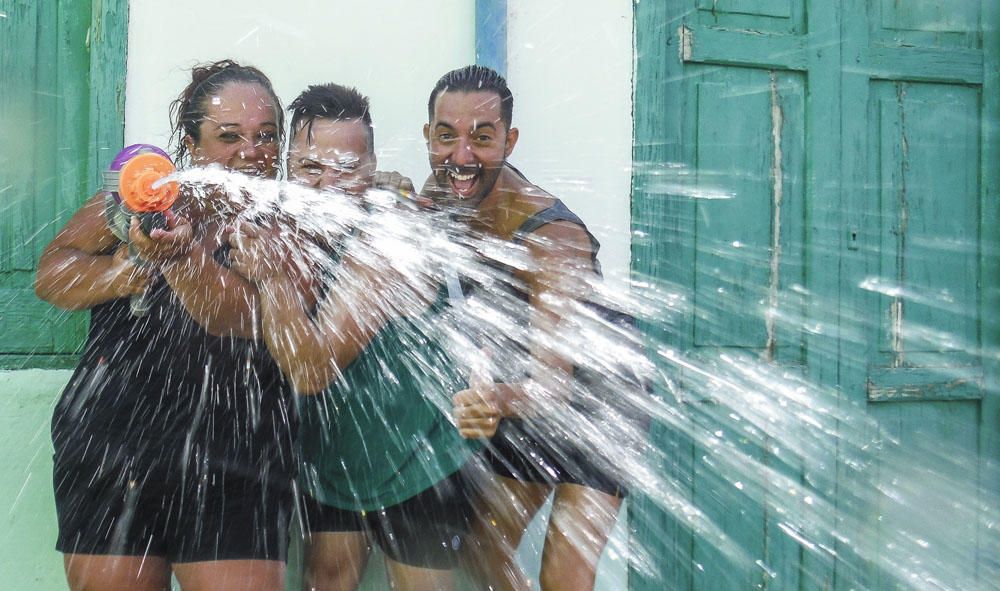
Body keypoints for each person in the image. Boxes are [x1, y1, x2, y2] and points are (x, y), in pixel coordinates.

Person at [35, 60, 299, 591]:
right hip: (113, 445)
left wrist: (179, 262)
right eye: (228, 136)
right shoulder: (139, 198)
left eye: (266, 136)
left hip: (237, 453)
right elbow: (51, 273)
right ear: (191, 144)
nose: (251, 152)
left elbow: (238, 318)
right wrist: (124, 275)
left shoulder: (287, 225)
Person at [228, 83, 477, 591]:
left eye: (345, 170)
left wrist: (273, 277)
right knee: (326, 579)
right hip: (336, 454)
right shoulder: (287, 224)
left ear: (371, 166)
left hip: (419, 459)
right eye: (310, 169)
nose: (326, 187)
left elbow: (312, 370)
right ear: (287, 167)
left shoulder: (385, 240)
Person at [422, 65, 624, 591]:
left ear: (509, 141)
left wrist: (491, 399)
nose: (461, 156)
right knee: (485, 550)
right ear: (429, 136)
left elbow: (556, 384)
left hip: (602, 399)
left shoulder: (552, 237)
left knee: (565, 576)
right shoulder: (446, 187)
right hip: (523, 385)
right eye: (447, 136)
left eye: (482, 139)